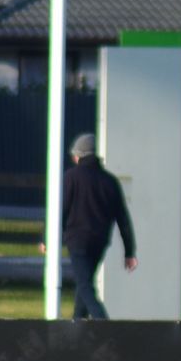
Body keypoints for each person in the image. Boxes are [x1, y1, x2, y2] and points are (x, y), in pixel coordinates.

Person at [60, 133, 137, 319]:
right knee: (84, 283)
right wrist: (129, 251)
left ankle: (103, 324)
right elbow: (123, 218)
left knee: (85, 285)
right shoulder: (110, 181)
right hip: (100, 241)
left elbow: (61, 209)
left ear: (78, 155)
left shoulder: (71, 177)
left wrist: (48, 238)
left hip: (77, 239)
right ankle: (78, 324)